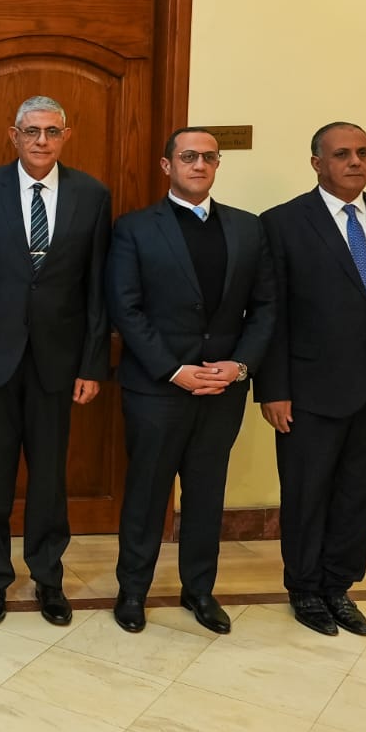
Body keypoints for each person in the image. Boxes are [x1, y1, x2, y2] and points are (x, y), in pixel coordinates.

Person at [256, 122, 366, 637]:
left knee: (360, 494)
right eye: (341, 154)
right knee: (307, 494)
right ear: (317, 163)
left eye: (362, 152)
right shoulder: (282, 223)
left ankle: (338, 586)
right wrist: (273, 389)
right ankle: (305, 589)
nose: (355, 161)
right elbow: (271, 314)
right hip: (308, 392)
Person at [105, 127, 275, 634]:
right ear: (167, 166)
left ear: (218, 164)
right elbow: (126, 308)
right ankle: (132, 591)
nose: (199, 165)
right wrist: (173, 369)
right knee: (146, 494)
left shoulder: (248, 228)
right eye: (188, 157)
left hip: (222, 388)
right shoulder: (134, 228)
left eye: (208, 157)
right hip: (158, 388)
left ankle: (199, 590)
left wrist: (240, 366)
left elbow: (266, 307)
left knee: (206, 494)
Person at [0, 95, 110, 627]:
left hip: (59, 362)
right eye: (31, 131)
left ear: (66, 135)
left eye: (51, 131)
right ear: (14, 135)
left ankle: (48, 577)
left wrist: (92, 364)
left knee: (48, 479)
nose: (42, 140)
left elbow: (98, 288)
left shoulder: (92, 195)